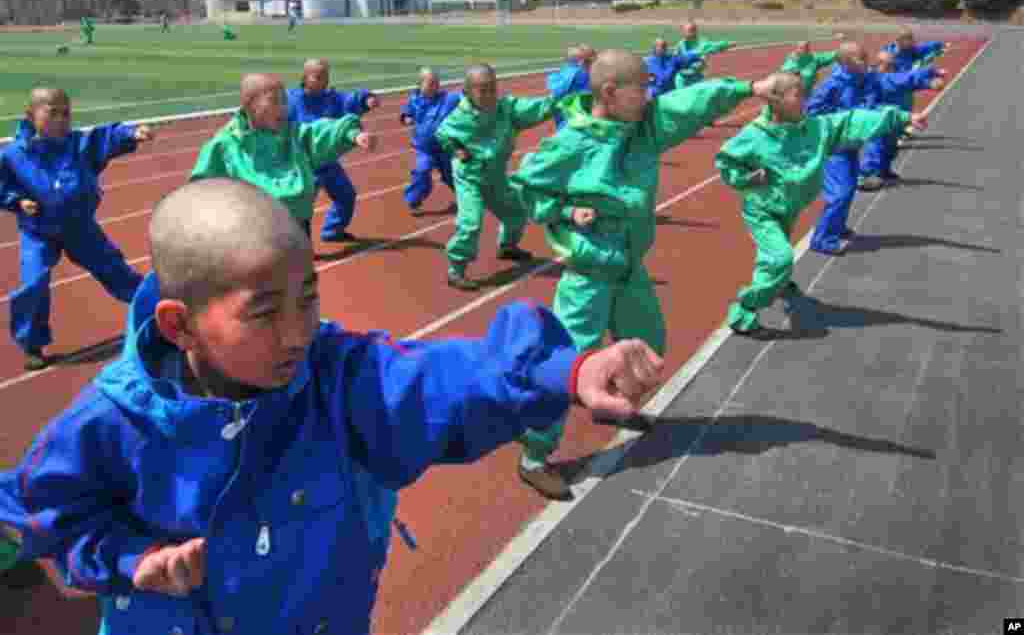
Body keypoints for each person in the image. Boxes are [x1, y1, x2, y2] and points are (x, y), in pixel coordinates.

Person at [0, 178, 665, 635]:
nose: (297, 331)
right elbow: (52, 519)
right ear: (180, 326)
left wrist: (566, 369)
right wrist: (130, 558)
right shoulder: (111, 424)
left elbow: (443, 378)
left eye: (309, 298)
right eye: (264, 312)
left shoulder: (334, 378)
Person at [509, 50, 767, 499]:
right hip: (588, 273)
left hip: (629, 268)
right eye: (641, 88)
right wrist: (566, 210)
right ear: (610, 92)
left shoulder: (644, 128)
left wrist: (747, 89)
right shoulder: (571, 144)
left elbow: (690, 104)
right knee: (564, 362)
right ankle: (533, 456)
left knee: (649, 348)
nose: (650, 95)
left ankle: (607, 403)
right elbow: (527, 186)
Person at [715, 73, 928, 337]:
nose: (805, 98)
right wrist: (747, 178)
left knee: (773, 258)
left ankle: (778, 284)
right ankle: (743, 312)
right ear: (777, 100)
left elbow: (852, 120)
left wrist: (902, 117)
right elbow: (726, 163)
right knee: (781, 257)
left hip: (790, 207)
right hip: (762, 210)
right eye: (797, 94)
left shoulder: (816, 129)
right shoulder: (754, 136)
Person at [0, 88, 154, 370]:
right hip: (38, 231)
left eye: (66, 113)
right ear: (31, 115)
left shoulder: (78, 144)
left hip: (79, 227)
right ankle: (33, 344)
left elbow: (106, 137)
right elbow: (2, 186)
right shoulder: (13, 155)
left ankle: (154, 312)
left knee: (114, 268)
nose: (60, 119)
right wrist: (17, 201)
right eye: (52, 112)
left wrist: (131, 134)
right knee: (33, 282)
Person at [191, 73, 376, 238]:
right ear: (250, 104)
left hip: (296, 226)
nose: (283, 108)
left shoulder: (291, 134)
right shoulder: (225, 146)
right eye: (275, 101)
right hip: (252, 234)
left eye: (284, 101)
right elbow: (201, 192)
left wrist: (351, 134)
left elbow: (318, 133)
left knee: (299, 274)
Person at [434, 64, 557, 290]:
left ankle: (507, 246)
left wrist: (558, 101)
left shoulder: (507, 109)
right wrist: (456, 149)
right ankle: (456, 269)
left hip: (495, 175)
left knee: (516, 211)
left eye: (492, 88)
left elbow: (537, 108)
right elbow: (443, 134)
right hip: (469, 176)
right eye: (482, 89)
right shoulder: (460, 117)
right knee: (471, 223)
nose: (489, 94)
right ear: (468, 92)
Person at [286, 58, 381, 243]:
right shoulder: (291, 100)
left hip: (328, 162)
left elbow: (350, 100)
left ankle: (333, 231)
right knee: (301, 208)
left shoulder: (332, 99)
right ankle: (300, 247)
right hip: (303, 165)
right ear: (305, 77)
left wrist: (366, 98)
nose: (324, 80)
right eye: (318, 77)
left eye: (326, 76)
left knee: (346, 196)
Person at [803, 41, 877, 255]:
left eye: (865, 56)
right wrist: (842, 118)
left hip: (850, 144)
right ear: (846, 62)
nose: (866, 61)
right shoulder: (831, 84)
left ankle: (837, 228)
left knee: (850, 187)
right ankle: (822, 239)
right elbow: (812, 112)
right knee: (839, 193)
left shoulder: (862, 78)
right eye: (860, 58)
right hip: (834, 146)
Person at [858, 51, 946, 190]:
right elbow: (905, 79)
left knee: (891, 147)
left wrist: (929, 84)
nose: (893, 67)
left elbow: (905, 82)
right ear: (880, 64)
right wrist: (929, 73)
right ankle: (865, 176)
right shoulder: (876, 79)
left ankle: (883, 171)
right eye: (890, 64)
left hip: (896, 119)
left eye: (893, 64)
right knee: (876, 147)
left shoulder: (890, 76)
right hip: (882, 119)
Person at [399, 67, 461, 214]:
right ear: (420, 84)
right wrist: (407, 118)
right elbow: (405, 113)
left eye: (437, 83)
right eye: (430, 83)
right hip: (424, 148)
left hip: (444, 147)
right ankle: (414, 200)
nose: (435, 86)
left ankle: (465, 198)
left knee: (452, 174)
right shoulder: (414, 100)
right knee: (422, 170)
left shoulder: (447, 99)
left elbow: (463, 96)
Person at [672, 21, 735, 90]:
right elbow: (674, 58)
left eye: (688, 31)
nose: (685, 34)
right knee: (680, 94)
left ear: (694, 31)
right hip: (682, 76)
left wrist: (727, 44)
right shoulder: (681, 44)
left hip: (696, 76)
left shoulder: (703, 43)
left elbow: (713, 47)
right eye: (684, 31)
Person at [547, 45, 595, 129]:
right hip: (582, 127)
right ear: (583, 61)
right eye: (591, 60)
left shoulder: (557, 76)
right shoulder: (583, 76)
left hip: (562, 127)